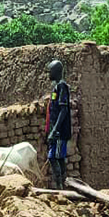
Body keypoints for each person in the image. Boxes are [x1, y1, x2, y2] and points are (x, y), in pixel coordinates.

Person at [45, 59, 72, 190]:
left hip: (60, 132)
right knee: (58, 157)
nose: (48, 74)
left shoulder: (62, 87)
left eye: (49, 71)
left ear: (55, 72)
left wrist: (54, 130)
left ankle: (61, 186)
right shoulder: (56, 87)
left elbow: (63, 110)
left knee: (53, 157)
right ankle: (62, 186)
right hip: (56, 131)